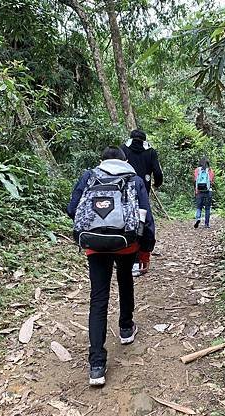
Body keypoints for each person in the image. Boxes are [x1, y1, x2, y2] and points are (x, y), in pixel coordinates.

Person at [67, 146, 155, 386]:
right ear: (125, 160)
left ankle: (96, 365)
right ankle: (126, 328)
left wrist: (96, 225)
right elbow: (145, 218)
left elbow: (72, 209)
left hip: (94, 245)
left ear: (101, 160)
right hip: (126, 243)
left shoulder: (89, 176)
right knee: (125, 280)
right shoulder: (134, 179)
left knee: (98, 298)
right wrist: (145, 250)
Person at [121, 129, 163, 275]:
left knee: (126, 222)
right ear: (144, 139)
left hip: (124, 193)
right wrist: (157, 184)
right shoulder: (150, 151)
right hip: (142, 191)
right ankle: (140, 258)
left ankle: (124, 256)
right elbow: (158, 172)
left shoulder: (123, 149)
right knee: (144, 222)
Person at [193, 157, 215, 229]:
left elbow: (195, 181)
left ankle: (198, 219)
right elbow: (211, 181)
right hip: (208, 191)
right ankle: (206, 224)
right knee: (207, 208)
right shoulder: (210, 171)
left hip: (199, 191)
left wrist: (195, 191)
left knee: (199, 207)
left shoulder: (197, 170)